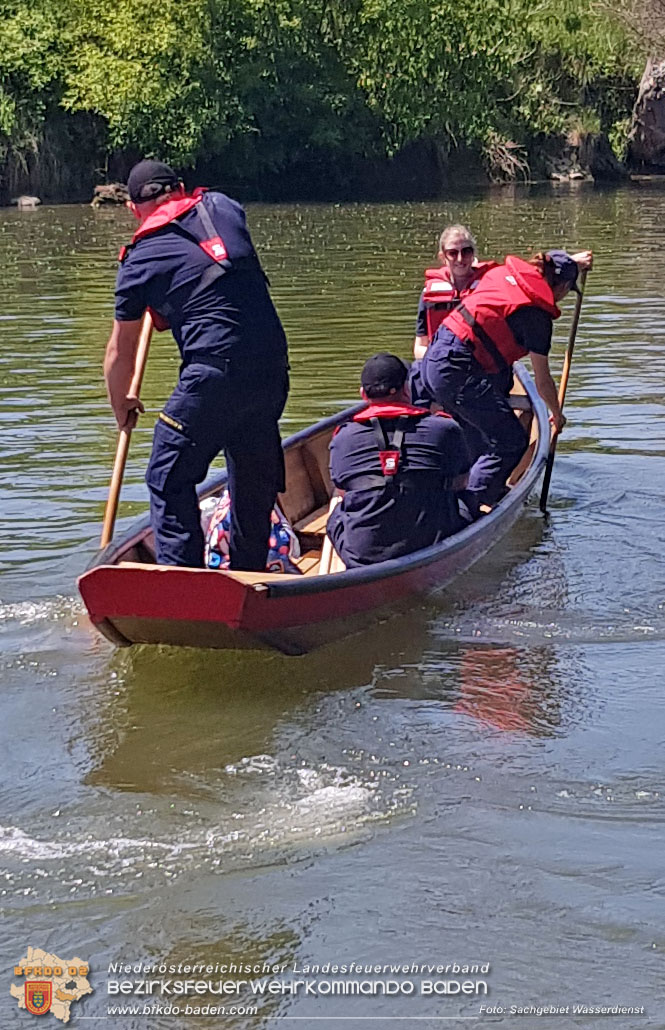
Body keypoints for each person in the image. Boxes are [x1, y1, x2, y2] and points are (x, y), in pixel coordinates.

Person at [104, 159, 289, 570]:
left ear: (134, 209)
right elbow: (215, 268)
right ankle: (249, 574)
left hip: (215, 374)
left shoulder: (139, 260)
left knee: (167, 476)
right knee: (252, 473)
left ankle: (180, 580)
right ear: (182, 188)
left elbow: (120, 351)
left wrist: (122, 405)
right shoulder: (225, 206)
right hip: (272, 368)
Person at [420, 248, 592, 517]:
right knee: (510, 441)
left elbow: (547, 264)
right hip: (455, 370)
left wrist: (573, 262)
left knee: (478, 434)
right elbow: (543, 380)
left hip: (433, 359)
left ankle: (472, 490)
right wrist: (557, 415)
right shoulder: (537, 318)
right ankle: (469, 510)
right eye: (567, 290)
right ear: (561, 286)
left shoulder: (503, 274)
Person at [326, 354, 471, 567]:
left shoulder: (343, 438)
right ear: (406, 389)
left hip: (364, 557)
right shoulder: (444, 428)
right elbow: (462, 482)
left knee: (336, 514)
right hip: (432, 542)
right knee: (466, 501)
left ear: (363, 394)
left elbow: (343, 492)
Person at [413, 224, 497, 360]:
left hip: (480, 365)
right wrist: (439, 360)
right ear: (443, 257)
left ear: (473, 253)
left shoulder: (488, 289)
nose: (460, 259)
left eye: (466, 251)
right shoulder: (428, 294)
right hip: (441, 365)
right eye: (453, 253)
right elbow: (419, 347)